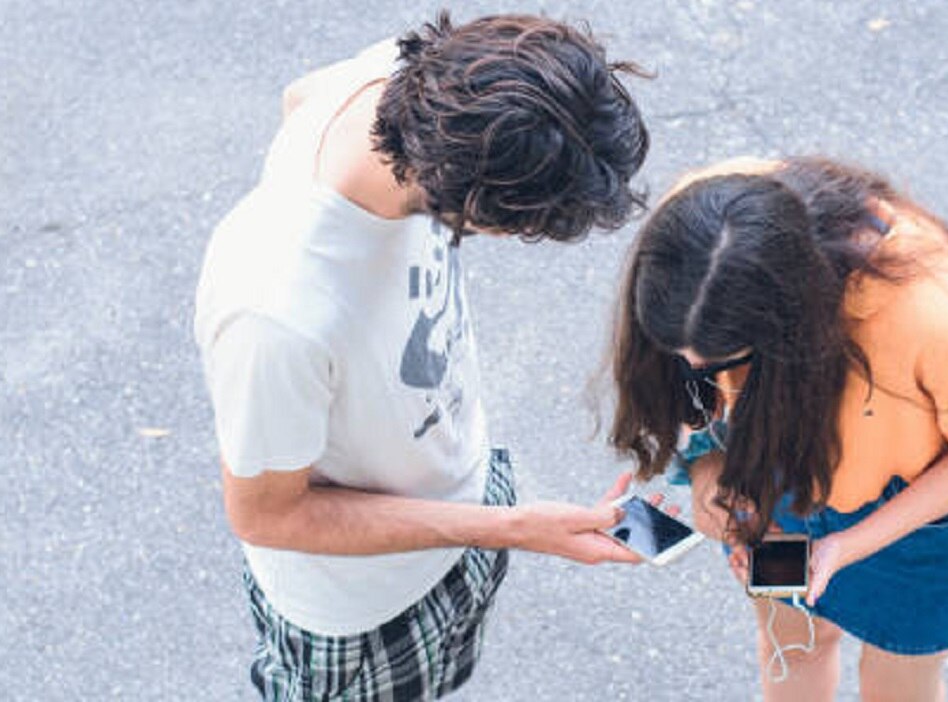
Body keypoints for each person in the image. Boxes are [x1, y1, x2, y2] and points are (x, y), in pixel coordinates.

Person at [194, 12, 650, 700]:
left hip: (464, 495)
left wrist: (497, 524)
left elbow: (299, 96)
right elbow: (266, 514)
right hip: (360, 610)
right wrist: (514, 529)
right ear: (469, 201)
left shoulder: (412, 82)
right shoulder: (276, 311)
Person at [607, 156, 948, 701]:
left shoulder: (932, 313)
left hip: (917, 521)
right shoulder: (702, 229)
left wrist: (848, 544)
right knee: (791, 649)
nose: (696, 367)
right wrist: (710, 469)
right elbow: (708, 399)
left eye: (726, 355)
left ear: (788, 322)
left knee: (897, 688)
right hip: (778, 475)